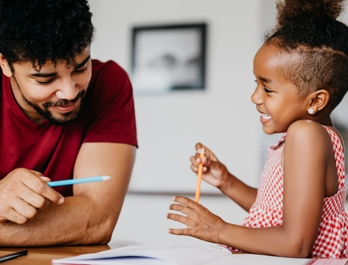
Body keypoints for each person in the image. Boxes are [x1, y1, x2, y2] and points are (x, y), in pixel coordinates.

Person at [167, 0, 348, 259]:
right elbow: (277, 212)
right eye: (257, 83)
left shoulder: (306, 135)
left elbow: (295, 244)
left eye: (268, 89)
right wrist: (226, 181)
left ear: (316, 101)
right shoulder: (303, 135)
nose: (255, 97)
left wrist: (217, 229)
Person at [0, 0, 137, 246]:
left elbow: (97, 221)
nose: (69, 93)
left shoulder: (109, 84)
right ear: (5, 64)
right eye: (45, 79)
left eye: (80, 68)